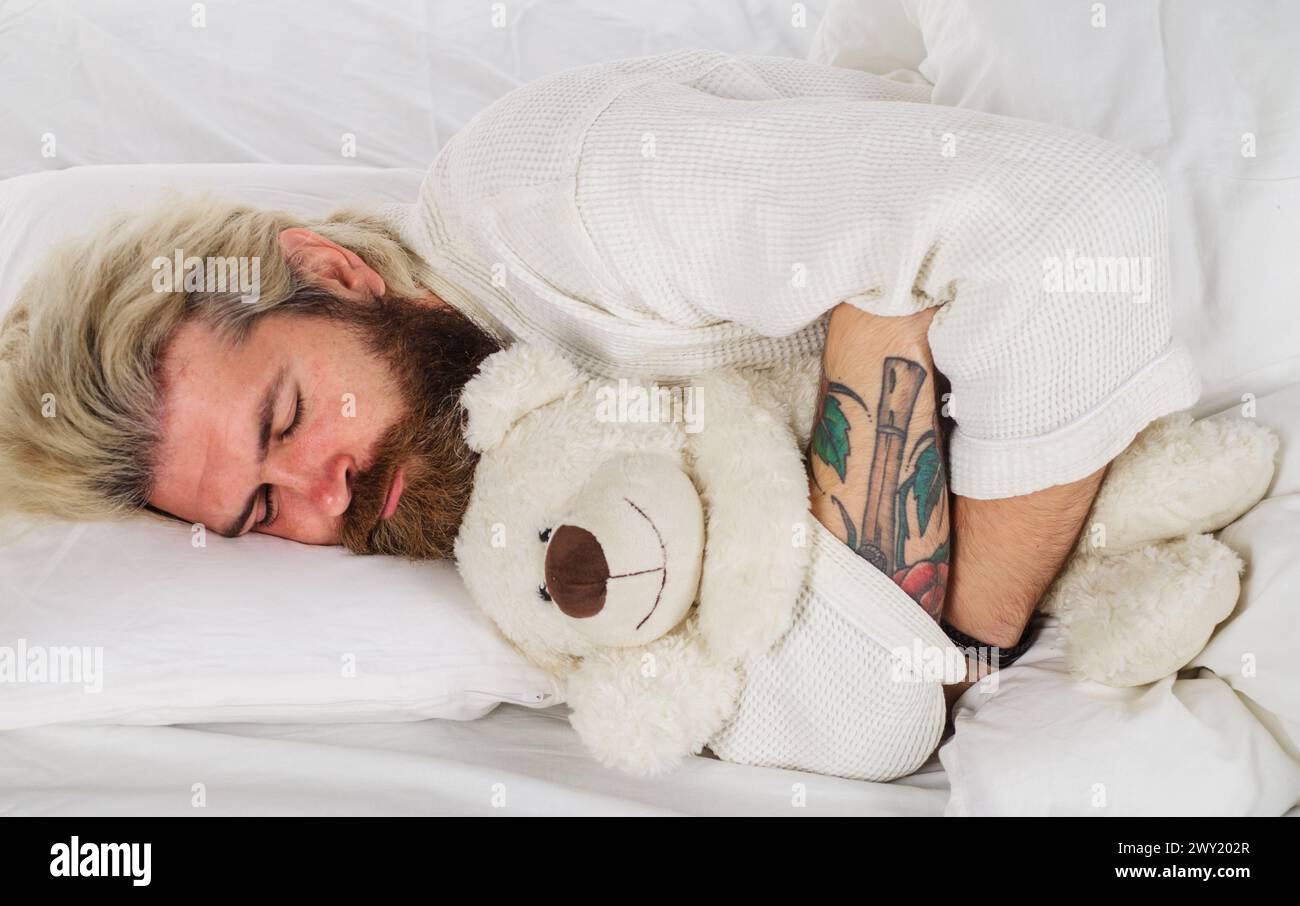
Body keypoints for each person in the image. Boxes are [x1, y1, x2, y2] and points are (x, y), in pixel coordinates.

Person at [0, 50, 1199, 735]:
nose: (327, 487)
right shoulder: (523, 535)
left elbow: (1077, 228)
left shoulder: (552, 199)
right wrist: (875, 322)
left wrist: (963, 643)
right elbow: (844, 731)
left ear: (333, 272)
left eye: (289, 416)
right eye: (263, 511)